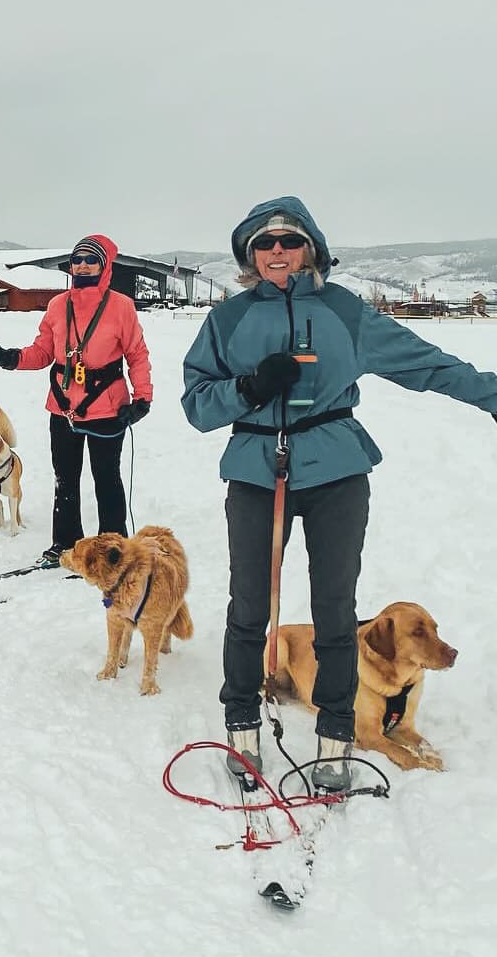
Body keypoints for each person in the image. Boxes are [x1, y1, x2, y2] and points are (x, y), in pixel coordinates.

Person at [180, 195, 497, 793]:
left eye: (289, 240)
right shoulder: (228, 319)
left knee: (335, 610)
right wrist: (249, 388)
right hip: (256, 471)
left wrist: (491, 395)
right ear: (250, 254)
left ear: (310, 249)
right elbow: (197, 406)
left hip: (336, 469)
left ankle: (335, 735)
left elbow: (426, 364)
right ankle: (242, 723)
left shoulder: (344, 311)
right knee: (249, 607)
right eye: (264, 243)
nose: (277, 251)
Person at [0, 234, 153, 563]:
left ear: (104, 266)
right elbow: (42, 352)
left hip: (108, 409)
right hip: (63, 408)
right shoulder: (58, 305)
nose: (82, 265)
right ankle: (65, 544)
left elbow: (137, 354)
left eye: (91, 260)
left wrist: (142, 398)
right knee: (64, 480)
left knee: (107, 480)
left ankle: (114, 550)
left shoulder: (120, 306)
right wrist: (6, 357)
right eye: (77, 260)